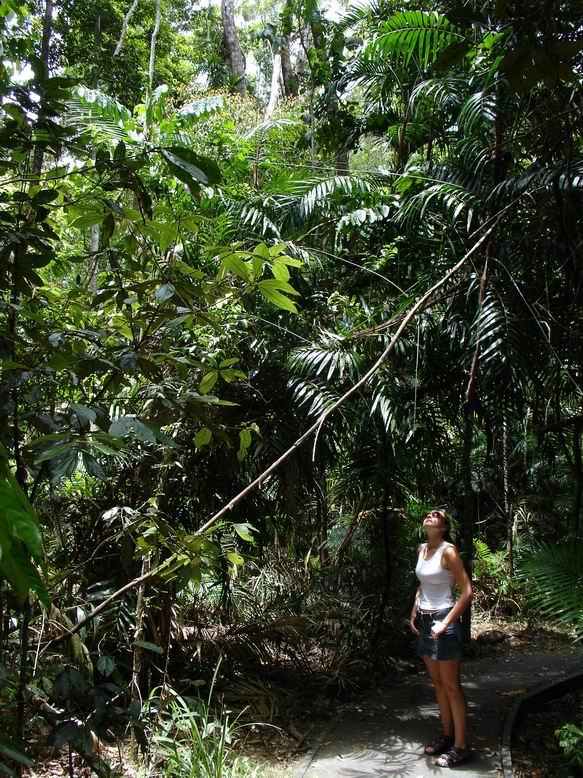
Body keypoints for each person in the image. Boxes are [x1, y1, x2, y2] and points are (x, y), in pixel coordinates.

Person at [409, 508, 473, 768]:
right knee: (437, 683)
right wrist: (415, 605)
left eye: (437, 515)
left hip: (442, 621)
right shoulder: (421, 548)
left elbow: (467, 591)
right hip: (425, 621)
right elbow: (423, 582)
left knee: (451, 686)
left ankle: (461, 746)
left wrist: (445, 623)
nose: (430, 515)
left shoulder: (449, 551)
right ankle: (447, 737)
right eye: (428, 513)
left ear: (444, 527)